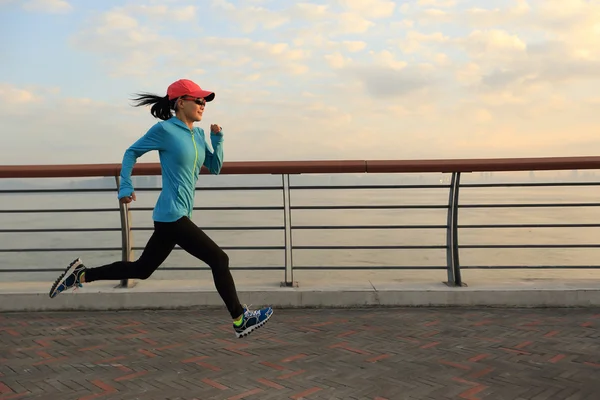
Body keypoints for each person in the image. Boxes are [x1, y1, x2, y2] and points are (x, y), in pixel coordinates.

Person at [49, 78, 273, 338]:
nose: (203, 105)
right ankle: (239, 319)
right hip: (172, 215)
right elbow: (131, 152)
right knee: (219, 259)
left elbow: (215, 167)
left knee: (142, 270)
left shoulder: (199, 134)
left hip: (175, 216)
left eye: (204, 101)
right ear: (180, 103)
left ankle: (81, 275)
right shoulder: (164, 130)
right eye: (198, 100)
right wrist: (125, 186)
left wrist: (218, 138)